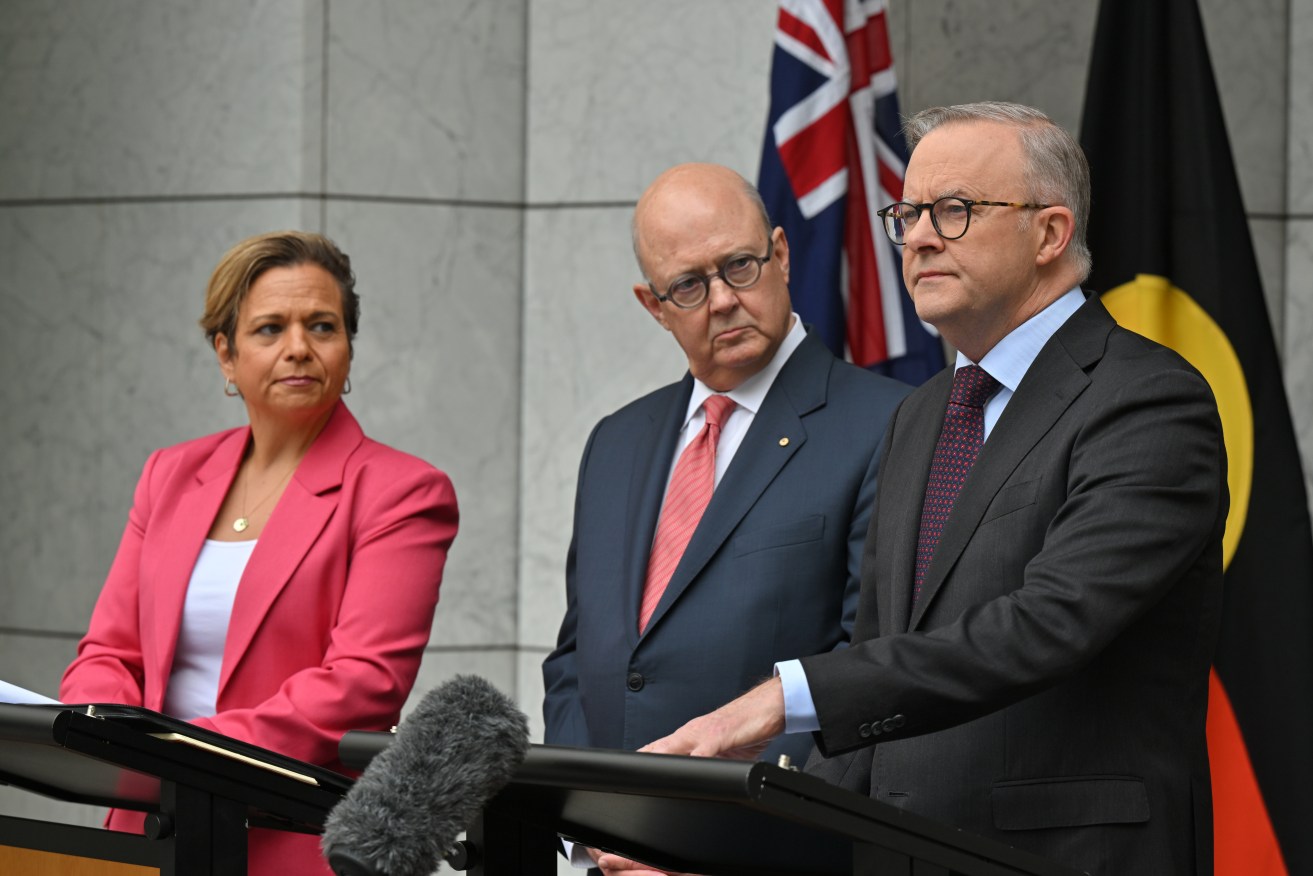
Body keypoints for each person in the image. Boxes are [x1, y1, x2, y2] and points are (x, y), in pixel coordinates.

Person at [639, 104, 1228, 876]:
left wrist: (787, 695)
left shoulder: (1146, 399)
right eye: (907, 213)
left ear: (1050, 233)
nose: (917, 237)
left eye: (953, 211)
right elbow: (883, 665)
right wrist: (721, 849)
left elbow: (1048, 623)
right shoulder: (921, 414)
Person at [541, 163, 910, 868]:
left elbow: (870, 663)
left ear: (780, 254)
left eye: (739, 266)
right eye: (688, 285)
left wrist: (691, 842)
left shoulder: (887, 423)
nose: (722, 300)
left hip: (773, 850)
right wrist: (595, 822)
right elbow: (577, 661)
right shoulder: (615, 442)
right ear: (652, 305)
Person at [60, 231, 459, 876]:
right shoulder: (169, 473)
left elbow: (362, 685)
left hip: (293, 830)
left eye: (322, 326)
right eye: (269, 328)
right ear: (226, 353)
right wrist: (107, 729)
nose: (298, 348)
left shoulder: (402, 492)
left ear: (348, 347)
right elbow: (108, 651)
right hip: (146, 824)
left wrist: (186, 754)